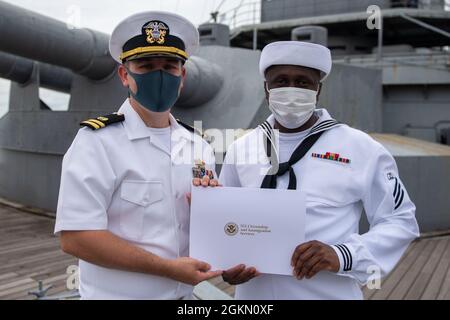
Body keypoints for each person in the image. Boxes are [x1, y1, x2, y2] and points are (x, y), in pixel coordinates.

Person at [219, 41, 420, 299]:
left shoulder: (361, 149)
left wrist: (342, 254)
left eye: (302, 82)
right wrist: (227, 265)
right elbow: (225, 221)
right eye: (281, 81)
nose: (291, 90)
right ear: (266, 88)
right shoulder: (241, 149)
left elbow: (400, 219)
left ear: (318, 89)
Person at [54, 11, 221, 300]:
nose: (160, 75)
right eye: (145, 65)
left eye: (170, 66)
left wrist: (216, 211)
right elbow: (76, 238)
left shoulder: (199, 146)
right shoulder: (97, 142)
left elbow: (209, 226)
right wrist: (169, 269)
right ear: (124, 75)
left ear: (182, 77)